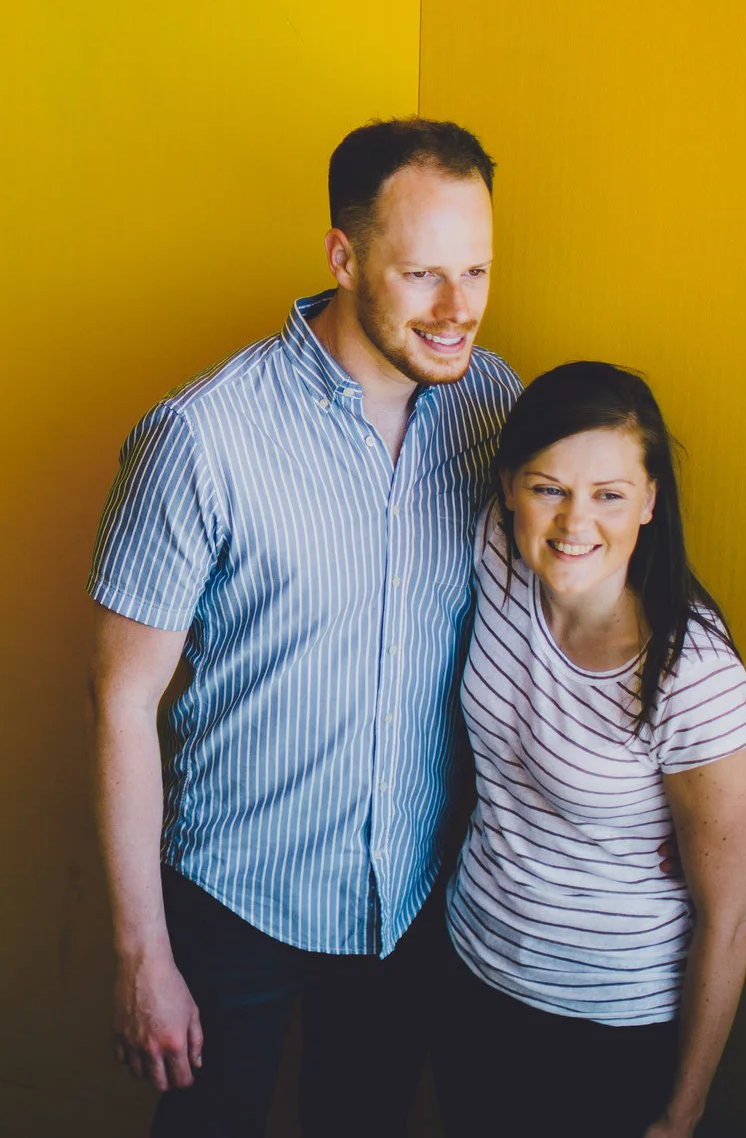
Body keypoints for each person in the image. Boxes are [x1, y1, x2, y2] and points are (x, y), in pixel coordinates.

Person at [88, 118, 517, 1136]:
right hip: (232, 898)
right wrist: (142, 954)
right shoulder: (200, 438)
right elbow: (119, 699)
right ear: (342, 254)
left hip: (407, 898)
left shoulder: (492, 404)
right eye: (422, 275)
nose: (458, 310)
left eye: (477, 269)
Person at [433, 363, 746, 1138]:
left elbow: (733, 914)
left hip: (609, 1025)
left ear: (650, 500)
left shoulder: (693, 675)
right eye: (549, 487)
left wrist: (682, 1114)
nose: (574, 522)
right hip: (474, 972)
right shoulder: (499, 555)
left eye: (609, 494)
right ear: (510, 484)